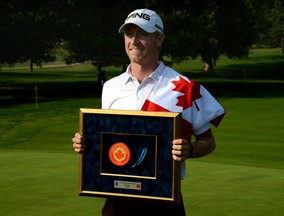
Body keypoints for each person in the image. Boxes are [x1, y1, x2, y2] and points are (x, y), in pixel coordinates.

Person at [72, 8, 225, 216]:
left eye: (142, 34)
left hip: (164, 199)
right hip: (116, 199)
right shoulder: (110, 87)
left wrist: (190, 150)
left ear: (159, 39)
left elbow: (209, 141)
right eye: (129, 34)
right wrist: (86, 143)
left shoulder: (184, 87)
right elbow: (108, 142)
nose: (133, 41)